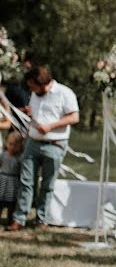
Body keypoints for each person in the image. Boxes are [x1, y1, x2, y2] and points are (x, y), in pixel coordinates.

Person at [7, 66, 79, 231]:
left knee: (47, 184)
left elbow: (74, 117)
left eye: (32, 86)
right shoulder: (36, 94)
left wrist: (51, 126)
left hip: (55, 144)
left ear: (42, 83)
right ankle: (19, 218)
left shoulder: (65, 93)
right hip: (33, 142)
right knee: (26, 181)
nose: (30, 89)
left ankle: (41, 219)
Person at [0, 130, 25, 224]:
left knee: (12, 203)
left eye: (15, 145)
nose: (12, 147)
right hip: (2, 180)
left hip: (13, 182)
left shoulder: (20, 158)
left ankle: (10, 220)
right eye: (10, 144)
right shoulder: (3, 155)